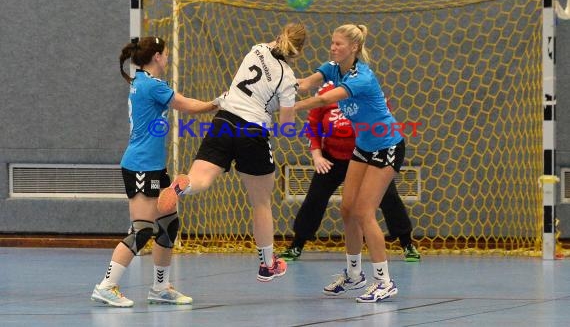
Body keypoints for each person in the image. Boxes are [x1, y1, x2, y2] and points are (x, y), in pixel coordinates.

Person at [158, 23, 307, 282]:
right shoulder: (287, 76)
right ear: (298, 52)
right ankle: (267, 264)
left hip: (224, 119)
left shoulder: (257, 49)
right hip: (253, 130)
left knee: (201, 180)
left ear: (278, 36)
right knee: (261, 203)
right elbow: (286, 125)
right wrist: (292, 104)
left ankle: (182, 186)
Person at [91, 36, 218, 307]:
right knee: (142, 231)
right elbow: (187, 106)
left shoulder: (141, 81)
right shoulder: (151, 85)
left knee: (168, 225)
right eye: (166, 53)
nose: (168, 57)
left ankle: (160, 288)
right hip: (140, 166)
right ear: (158, 56)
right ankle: (107, 286)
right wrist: (219, 103)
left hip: (154, 167)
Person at [295, 24, 404, 303]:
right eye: (332, 43)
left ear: (353, 48)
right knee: (347, 210)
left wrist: (291, 107)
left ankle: (384, 281)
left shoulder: (362, 78)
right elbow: (307, 83)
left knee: (365, 212)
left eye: (339, 44)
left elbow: (322, 99)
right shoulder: (332, 68)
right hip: (364, 146)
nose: (333, 48)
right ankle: (354, 275)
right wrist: (276, 87)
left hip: (387, 145)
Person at [280, 81, 420, 262]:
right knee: (315, 197)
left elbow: (383, 125)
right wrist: (317, 157)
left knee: (389, 197)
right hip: (332, 158)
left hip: (366, 156)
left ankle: (407, 243)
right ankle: (297, 245)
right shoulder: (324, 93)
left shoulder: (367, 87)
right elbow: (313, 127)